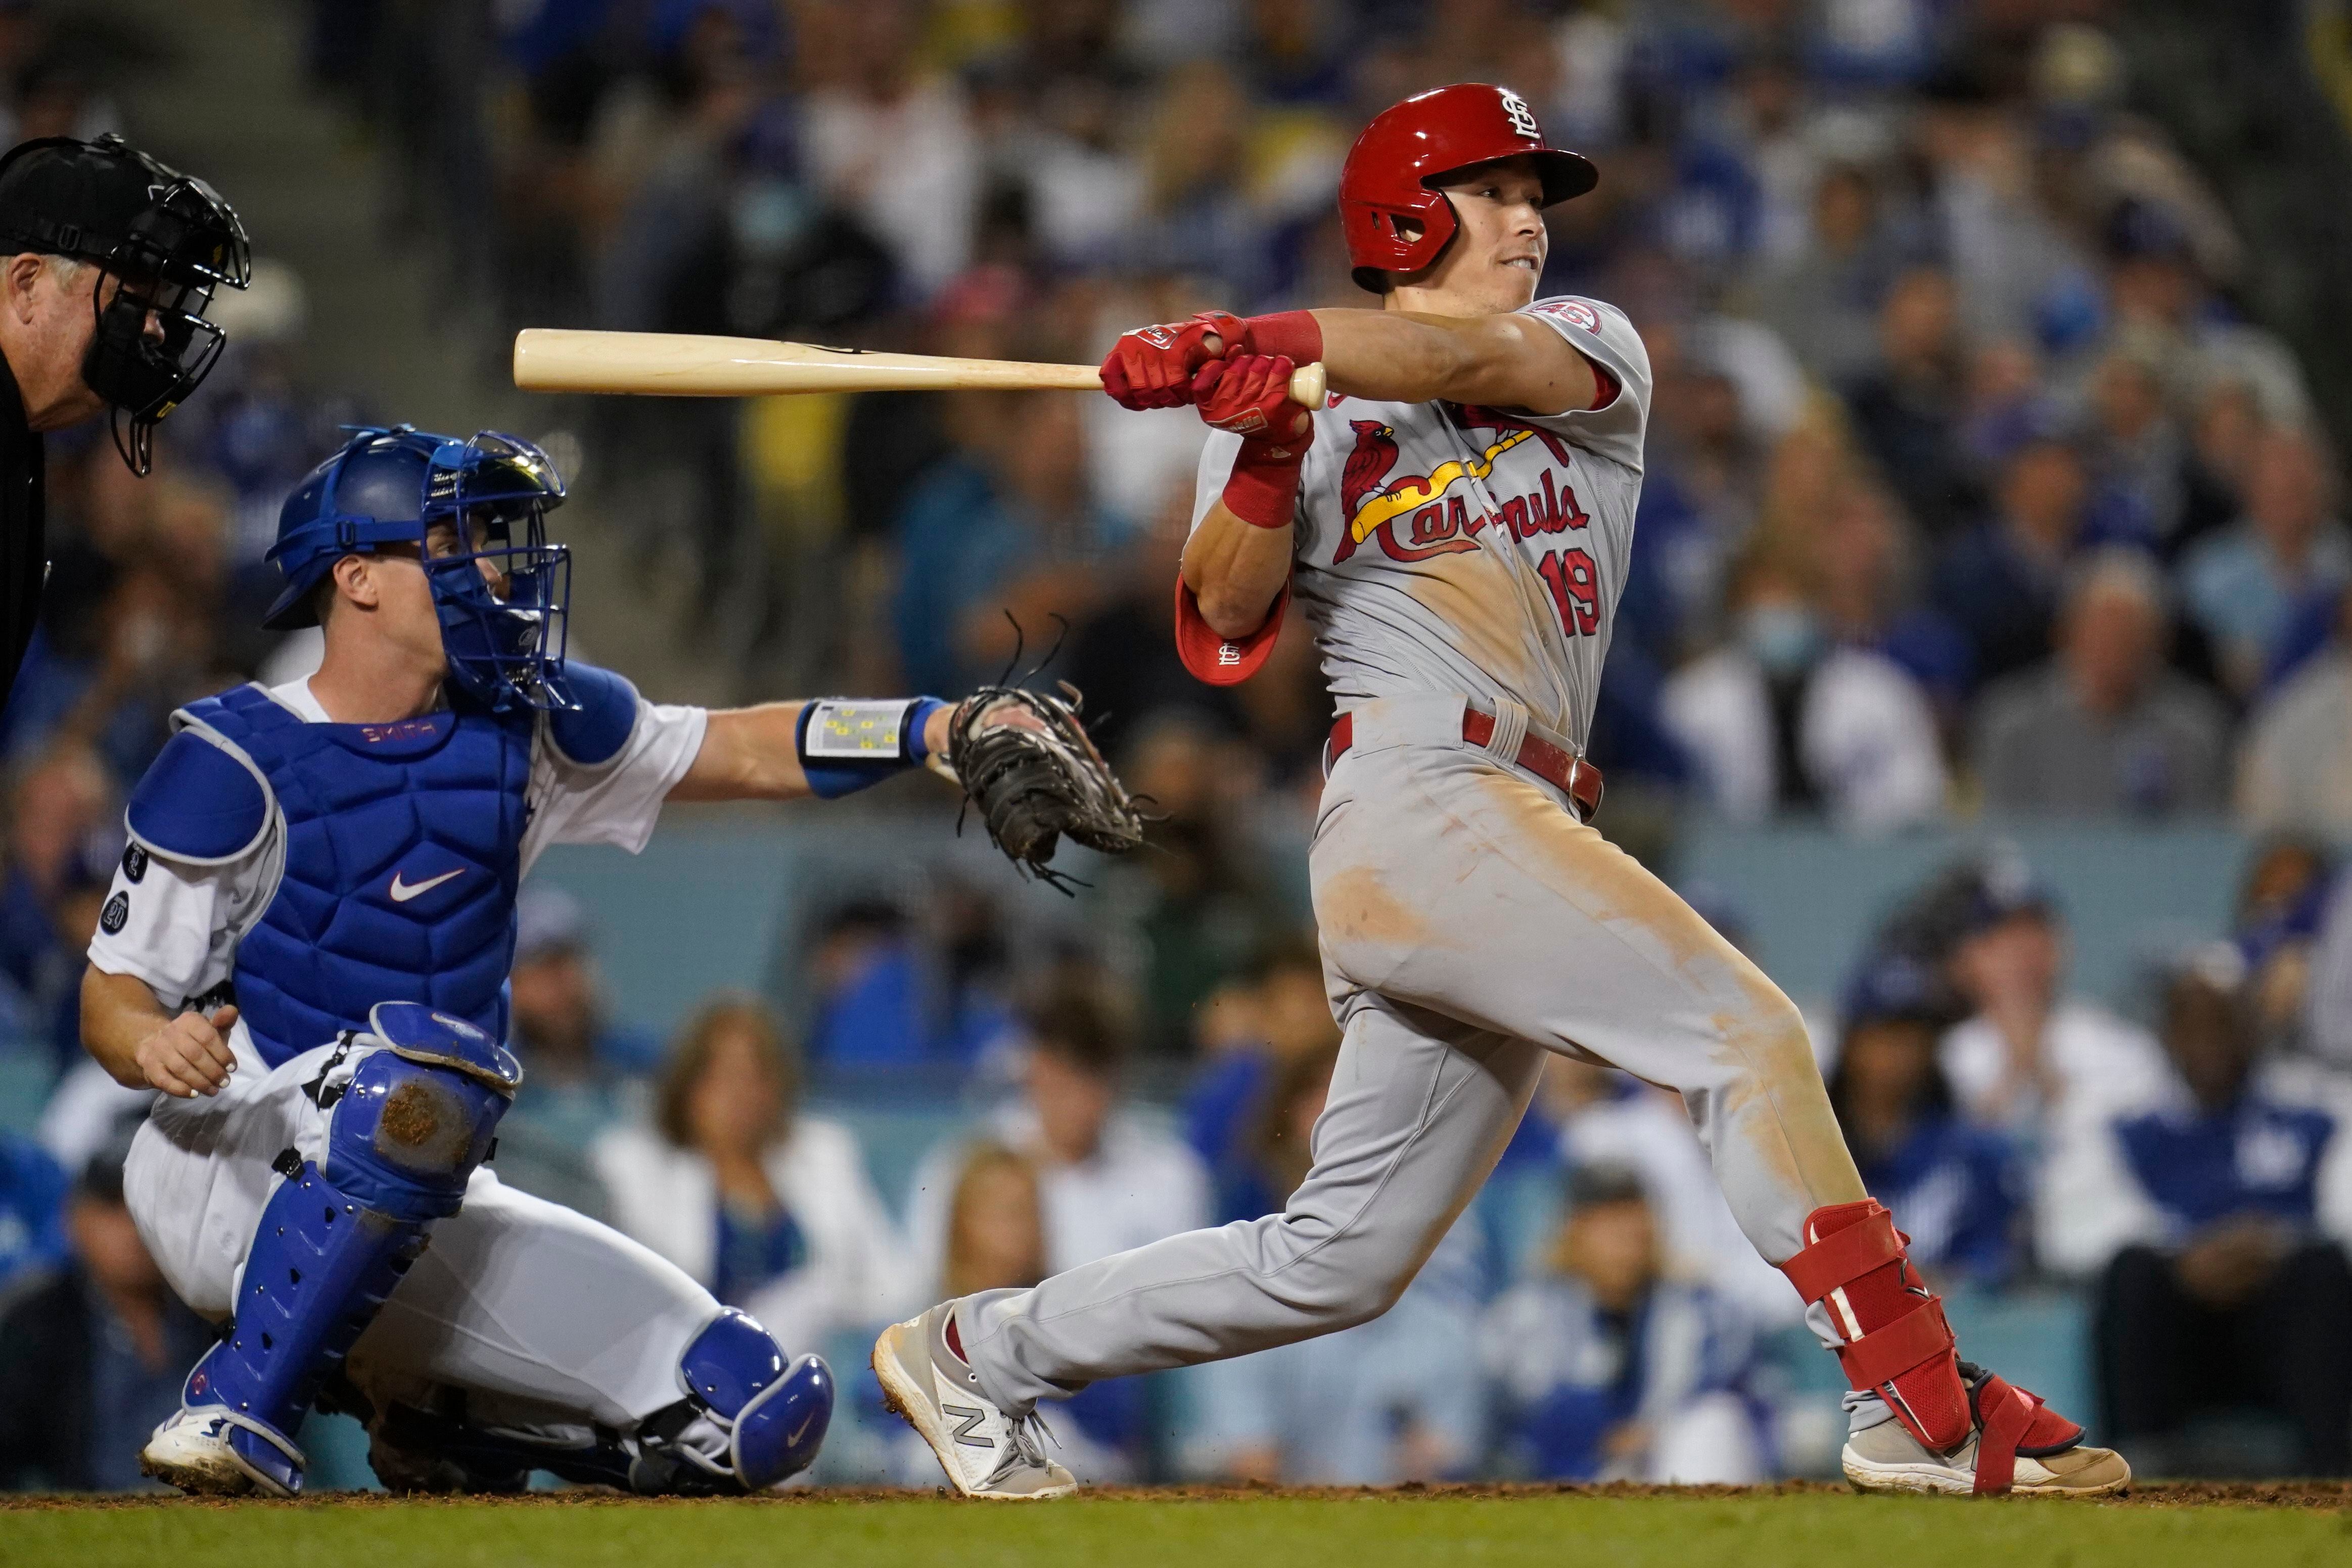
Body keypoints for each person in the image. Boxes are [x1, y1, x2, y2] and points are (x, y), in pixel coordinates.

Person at [872, 83, 2124, 1500]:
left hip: (1513, 808)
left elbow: (1457, 353)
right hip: (1415, 789)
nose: (1529, 217)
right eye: (1495, 190)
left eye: (1534, 195)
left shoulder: (1589, 344)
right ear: (1406, 211)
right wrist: (1271, 443)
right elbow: (1219, 630)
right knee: (1747, 1036)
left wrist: (1270, 343)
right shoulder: (1310, 420)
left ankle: (977, 1349)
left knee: (1334, 1257)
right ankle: (1911, 1399)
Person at [74, 424, 1053, 1497]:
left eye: (494, 537)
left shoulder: (518, 726)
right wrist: (152, 1041)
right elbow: (110, 997)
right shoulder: (236, 753)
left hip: (422, 1181)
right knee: (419, 1083)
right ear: (355, 579)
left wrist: (932, 728)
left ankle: (442, 1425)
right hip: (225, 1163)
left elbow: (738, 747)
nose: (494, 565)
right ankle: (234, 1407)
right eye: (453, 538)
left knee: (754, 1411)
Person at [2079, 948, 2352, 1475]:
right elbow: (2076, 1231)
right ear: (2167, 1036)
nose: (2211, 1042)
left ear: (2254, 1028)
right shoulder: (2123, 1120)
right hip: (2179, 1326)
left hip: (2281, 1323)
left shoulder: (2316, 1112)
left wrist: (2271, 1247)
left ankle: (2332, 1472)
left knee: (2323, 1271)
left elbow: (2342, 1215)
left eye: (2226, 1023)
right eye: (2193, 1025)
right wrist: (2186, 1256)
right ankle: (2140, 1467)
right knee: (2133, 1274)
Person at [1, 134, 247, 704]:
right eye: (135, 294)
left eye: (163, 302)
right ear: (29, 284)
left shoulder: (28, 433)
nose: (157, 327)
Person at [592, 995, 914, 1359]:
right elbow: (645, 1296)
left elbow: (892, 1282)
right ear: (686, 1087)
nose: (740, 1095)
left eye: (756, 1076)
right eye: (722, 1076)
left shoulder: (825, 1153)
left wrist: (819, 1309)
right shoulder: (634, 1164)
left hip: (815, 1365)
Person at [1484, 1164, 1764, 1484]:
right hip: (1563, 1480)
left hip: (1671, 1467)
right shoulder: (1526, 1313)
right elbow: (1515, 1418)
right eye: (1609, 1227)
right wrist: (1598, 1432)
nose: (1626, 1244)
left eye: (1633, 1225)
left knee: (1715, 1421)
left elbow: (1738, 1394)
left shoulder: (1700, 1310)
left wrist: (1653, 1433)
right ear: (1574, 1233)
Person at [0, 1137, 214, 1491]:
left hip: (215, 1518)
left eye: (147, 1205)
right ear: (75, 1219)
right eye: (112, 1204)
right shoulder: (40, 1319)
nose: (132, 1226)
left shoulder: (213, 1311)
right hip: (85, 1524)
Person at [1971, 547, 2230, 817]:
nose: (2114, 653)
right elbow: (2002, 841)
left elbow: (2201, 843)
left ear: (2159, 644)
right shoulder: (2013, 727)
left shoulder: (2194, 730)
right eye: (2102, 636)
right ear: (2067, 636)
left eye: (2129, 638)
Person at [1825, 956, 2017, 1286]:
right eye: (1885, 1034)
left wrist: (1951, 1280)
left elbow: (1999, 1256)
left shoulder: (1974, 1154)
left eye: (1914, 1036)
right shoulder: (1813, 1155)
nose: (1901, 1052)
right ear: (1851, 1043)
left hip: (1953, 1325)